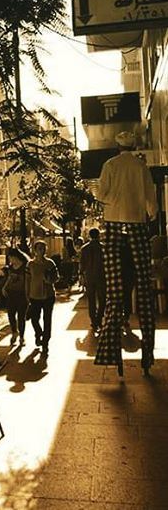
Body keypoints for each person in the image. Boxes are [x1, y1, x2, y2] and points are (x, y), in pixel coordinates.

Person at [95, 131, 158, 376]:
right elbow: (150, 198)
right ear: (134, 145)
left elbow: (101, 195)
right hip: (137, 225)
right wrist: (149, 212)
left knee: (113, 292)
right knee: (144, 289)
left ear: (116, 147)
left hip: (112, 226)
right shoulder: (141, 166)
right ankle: (147, 355)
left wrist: (114, 200)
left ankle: (113, 354)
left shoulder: (110, 165)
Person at [27, 241, 59, 355]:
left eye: (43, 248)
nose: (41, 250)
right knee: (34, 319)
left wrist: (49, 281)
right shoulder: (30, 264)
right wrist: (27, 295)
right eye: (39, 248)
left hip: (48, 296)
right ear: (35, 250)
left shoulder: (50, 263)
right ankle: (38, 333)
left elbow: (56, 277)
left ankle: (45, 343)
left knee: (47, 320)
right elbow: (27, 280)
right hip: (34, 296)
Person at [80, 228, 106, 332]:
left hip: (89, 277)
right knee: (102, 298)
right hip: (101, 276)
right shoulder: (103, 248)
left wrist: (81, 273)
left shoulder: (84, 248)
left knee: (91, 300)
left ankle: (94, 320)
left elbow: (82, 263)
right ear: (98, 235)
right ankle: (99, 318)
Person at [1, 248, 29, 346]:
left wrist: (28, 294)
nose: (10, 260)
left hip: (22, 294)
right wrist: (4, 287)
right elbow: (9, 277)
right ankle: (14, 332)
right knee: (11, 315)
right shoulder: (11, 267)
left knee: (21, 317)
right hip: (11, 294)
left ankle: (21, 336)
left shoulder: (25, 266)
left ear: (15, 257)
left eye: (11, 257)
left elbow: (27, 281)